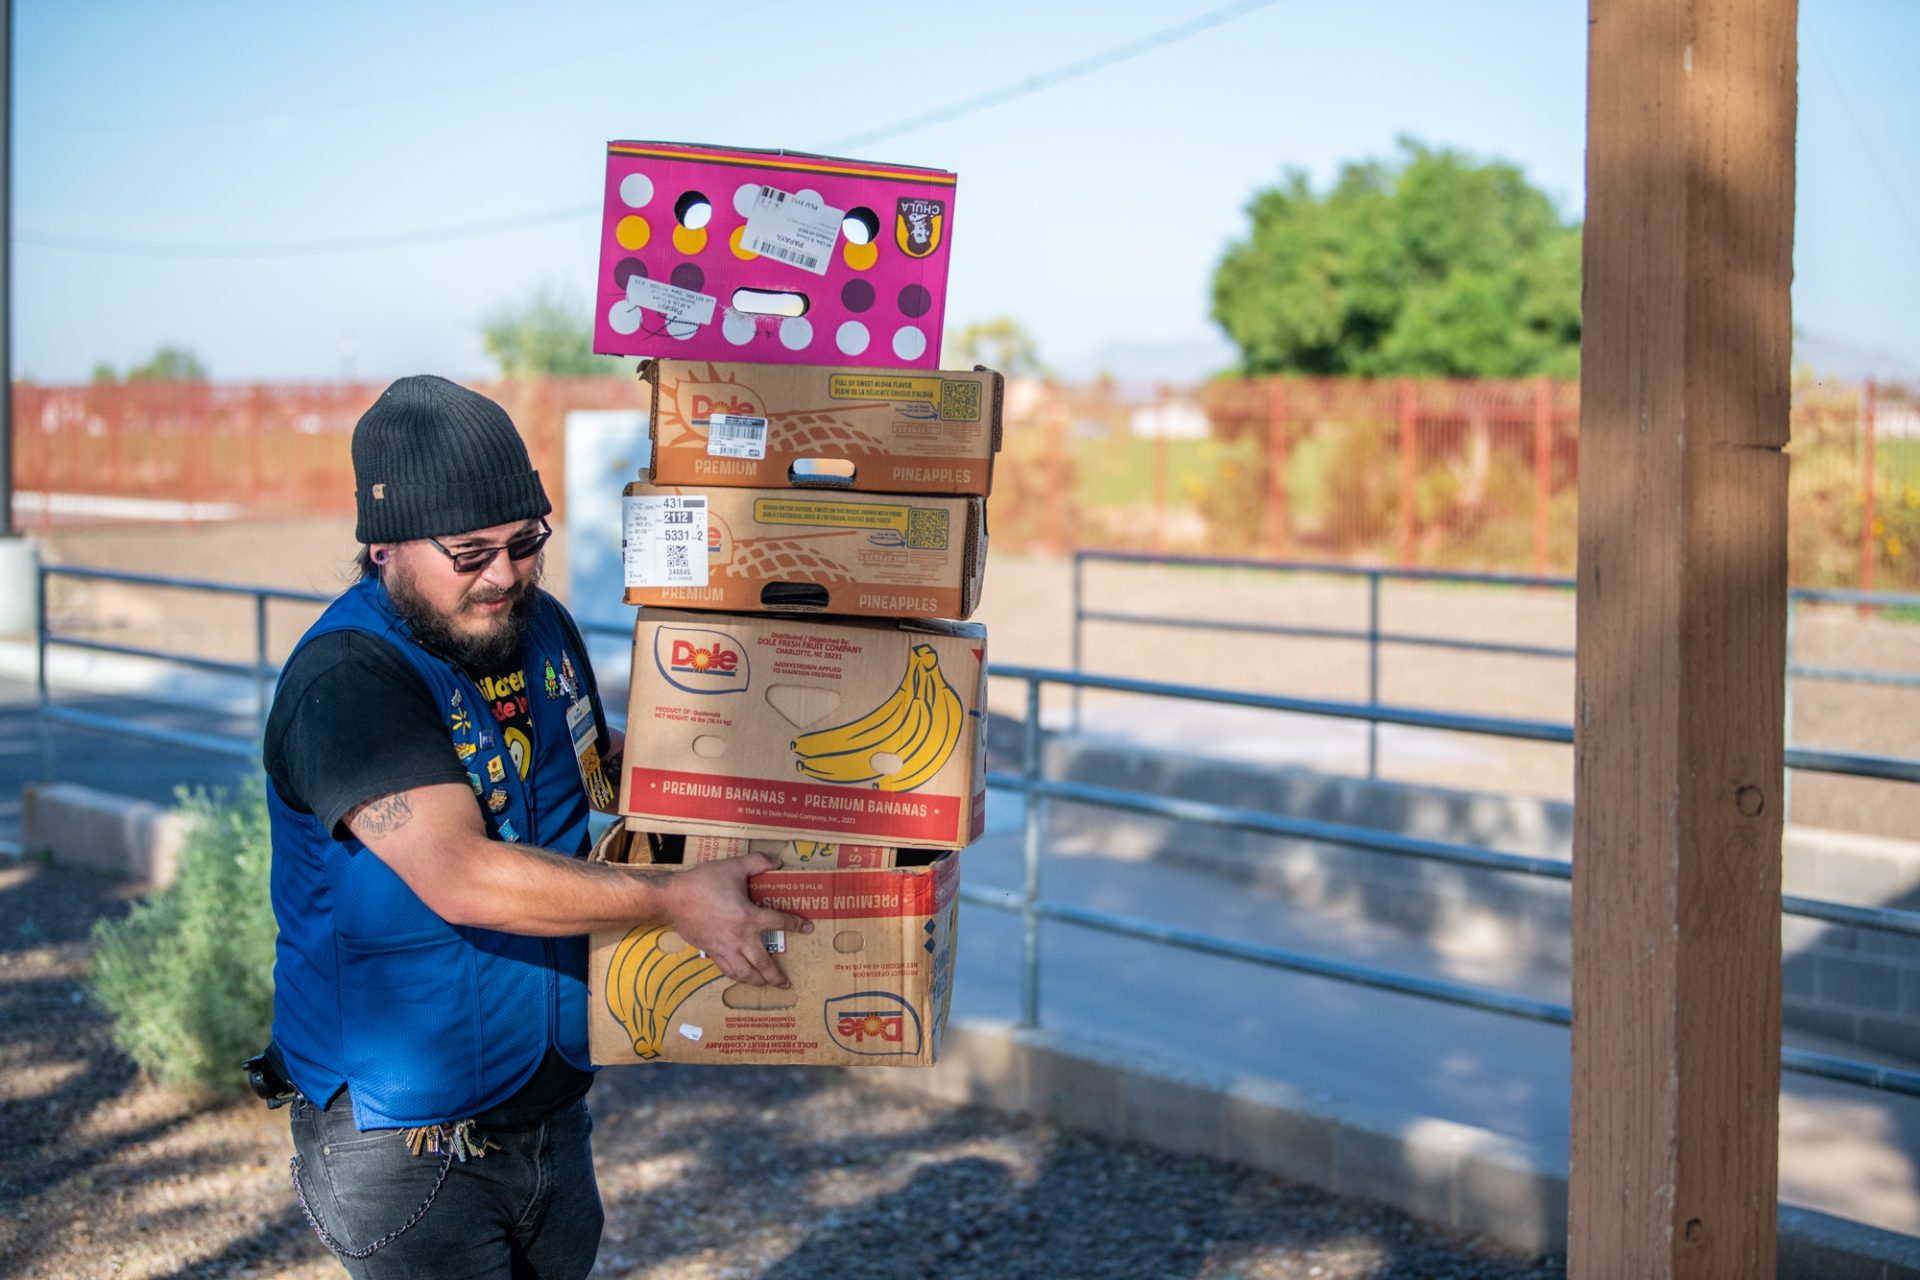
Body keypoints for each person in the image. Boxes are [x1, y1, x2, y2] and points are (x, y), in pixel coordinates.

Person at [261, 374, 808, 1279]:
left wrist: (767, 778)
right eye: (470, 553)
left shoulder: (538, 626)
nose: (504, 576)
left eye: (525, 544)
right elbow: (460, 874)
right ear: (384, 546)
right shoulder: (350, 683)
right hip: (409, 1140)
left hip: (548, 1104)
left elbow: (589, 758)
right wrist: (673, 899)